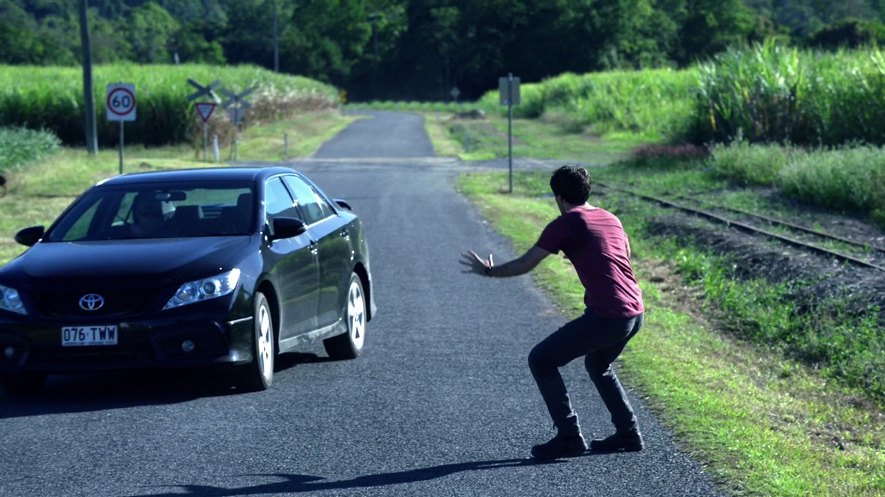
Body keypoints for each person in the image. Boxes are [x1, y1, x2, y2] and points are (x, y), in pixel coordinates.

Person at [460, 164, 645, 460]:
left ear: (558, 197)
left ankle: (569, 437)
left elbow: (526, 264)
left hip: (609, 316)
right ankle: (628, 432)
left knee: (542, 359)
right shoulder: (610, 218)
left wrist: (489, 271)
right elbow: (621, 258)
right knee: (598, 363)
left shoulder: (566, 223)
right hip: (635, 313)